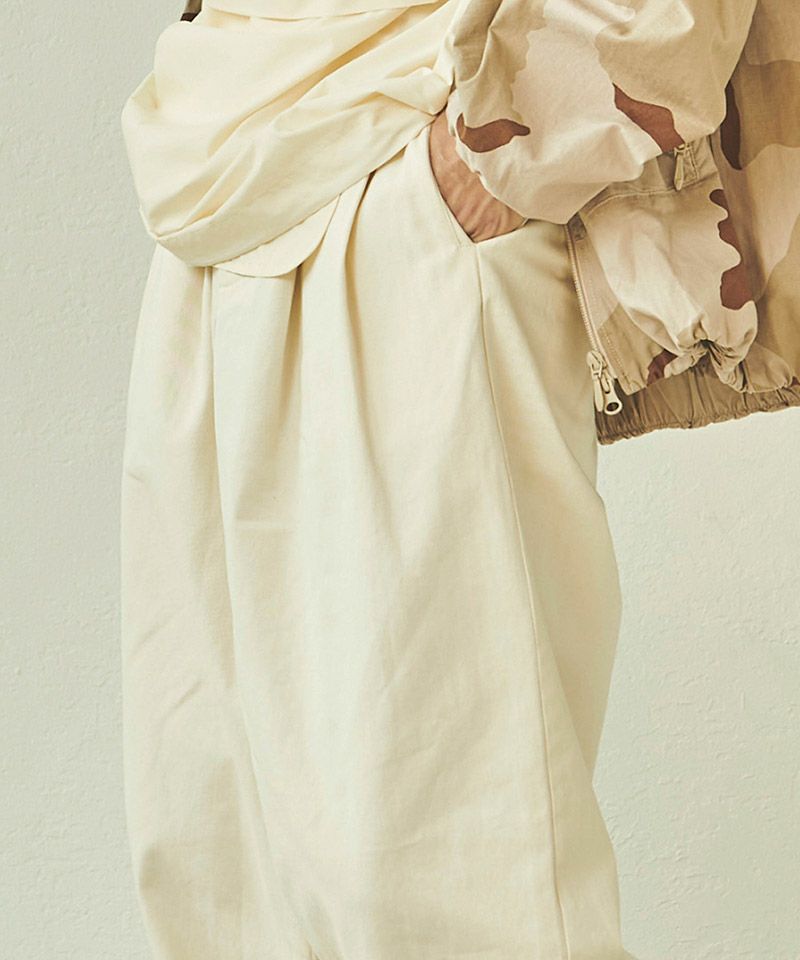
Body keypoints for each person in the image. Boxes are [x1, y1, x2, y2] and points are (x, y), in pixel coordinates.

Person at [119, 2, 799, 958]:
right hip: (213, 167)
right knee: (219, 857)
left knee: (443, 867)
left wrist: (504, 146)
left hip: (414, 155)